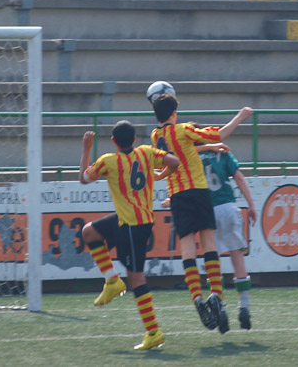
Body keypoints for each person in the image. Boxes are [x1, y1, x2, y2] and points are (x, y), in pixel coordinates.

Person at [151, 93, 253, 333]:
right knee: (209, 245)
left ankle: (196, 296)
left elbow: (169, 163)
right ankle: (216, 294)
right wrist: (239, 117)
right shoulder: (184, 130)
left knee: (188, 248)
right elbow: (219, 133)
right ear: (175, 113)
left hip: (177, 195)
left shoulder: (157, 136)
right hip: (198, 190)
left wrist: (160, 176)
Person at [78, 121, 180, 350]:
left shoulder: (108, 160)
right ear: (134, 139)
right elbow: (174, 161)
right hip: (131, 219)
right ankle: (113, 281)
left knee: (136, 278)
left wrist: (86, 148)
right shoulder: (146, 152)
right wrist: (160, 175)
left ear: (113, 141)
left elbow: (83, 179)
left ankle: (153, 332)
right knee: (89, 231)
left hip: (134, 224)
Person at [187, 141, 258, 330]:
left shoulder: (191, 156)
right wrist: (251, 205)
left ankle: (222, 308)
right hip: (228, 207)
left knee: (213, 261)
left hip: (208, 211)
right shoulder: (221, 151)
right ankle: (244, 307)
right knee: (238, 258)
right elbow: (239, 178)